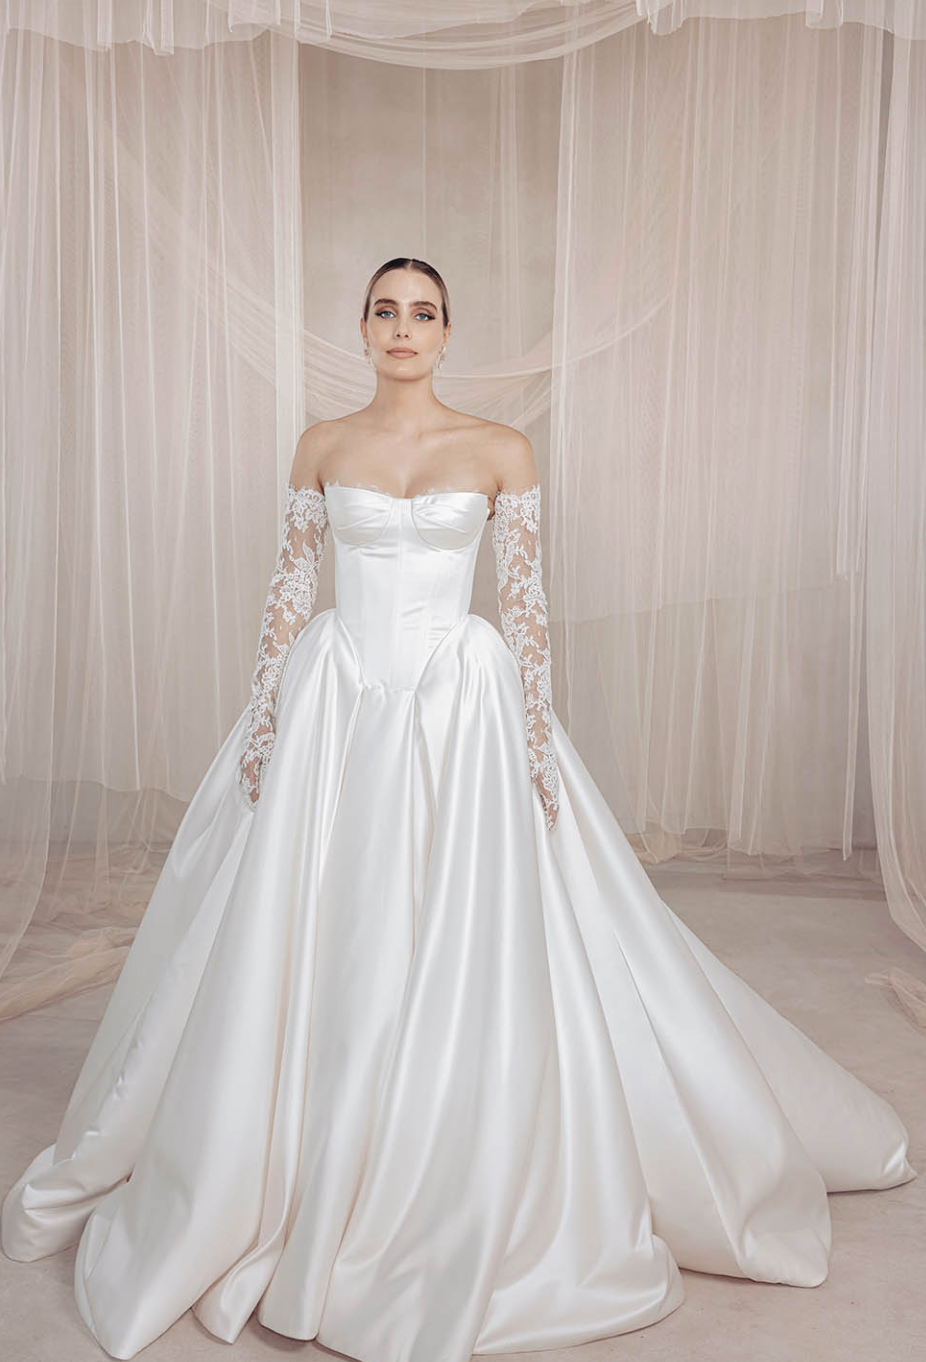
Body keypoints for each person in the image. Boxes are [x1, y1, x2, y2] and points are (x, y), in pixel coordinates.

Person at [1, 258, 915, 1362]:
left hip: (461, 703)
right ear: (361, 328)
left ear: (446, 335)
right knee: (314, 927)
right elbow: (290, 589)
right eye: (385, 310)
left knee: (473, 925)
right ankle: (291, 1147)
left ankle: (442, 1148)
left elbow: (524, 604)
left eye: (422, 313)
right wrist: (265, 718)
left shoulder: (500, 448)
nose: (403, 327)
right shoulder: (321, 444)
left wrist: (531, 743)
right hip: (336, 699)